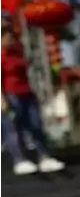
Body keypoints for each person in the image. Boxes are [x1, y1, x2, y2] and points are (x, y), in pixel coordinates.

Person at [0, 27, 64, 175]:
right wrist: (1, 100)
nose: (11, 41)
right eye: (8, 38)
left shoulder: (18, 54)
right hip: (11, 95)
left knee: (36, 125)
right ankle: (20, 160)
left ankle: (45, 157)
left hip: (27, 93)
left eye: (13, 38)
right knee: (13, 129)